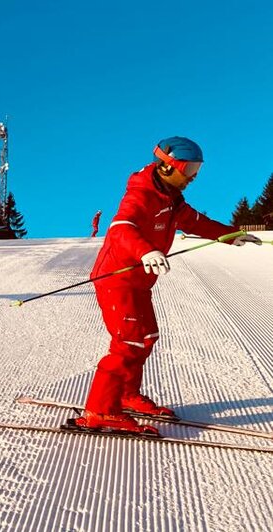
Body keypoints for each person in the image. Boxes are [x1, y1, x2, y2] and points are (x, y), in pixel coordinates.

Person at [77, 137, 261, 435]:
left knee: (146, 336)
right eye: (189, 169)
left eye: (197, 169)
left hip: (138, 282)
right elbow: (122, 227)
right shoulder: (141, 195)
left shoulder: (172, 199)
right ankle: (100, 410)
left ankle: (126, 395)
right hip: (117, 278)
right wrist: (145, 251)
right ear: (167, 166)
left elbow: (198, 222)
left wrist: (231, 234)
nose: (193, 176)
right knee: (128, 343)